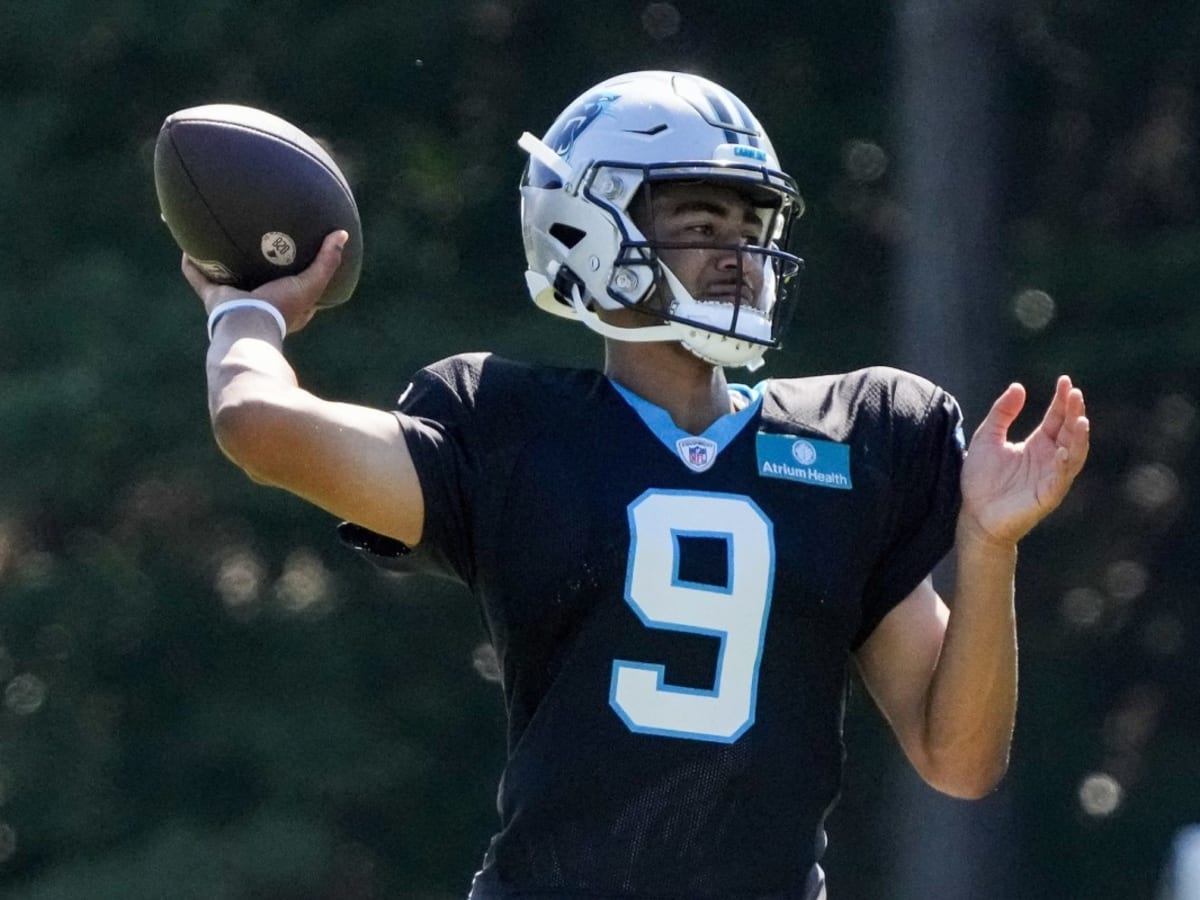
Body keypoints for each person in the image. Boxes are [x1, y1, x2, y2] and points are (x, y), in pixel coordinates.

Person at [183, 71, 1089, 900]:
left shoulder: (858, 439)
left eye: (750, 228)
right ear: (584, 225)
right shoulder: (510, 431)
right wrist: (250, 314)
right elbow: (260, 428)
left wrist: (988, 546)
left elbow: (958, 759)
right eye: (699, 225)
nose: (737, 255)